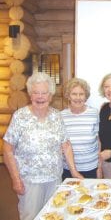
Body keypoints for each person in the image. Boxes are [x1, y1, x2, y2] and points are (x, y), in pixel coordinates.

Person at [3, 72, 83, 220]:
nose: (40, 97)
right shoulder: (20, 117)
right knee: (31, 216)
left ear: (50, 96)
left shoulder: (56, 116)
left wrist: (74, 171)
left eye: (44, 93)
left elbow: (65, 145)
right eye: (36, 93)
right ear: (30, 95)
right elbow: (7, 149)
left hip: (54, 179)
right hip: (29, 181)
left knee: (54, 214)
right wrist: (15, 179)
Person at [61, 78, 101, 179]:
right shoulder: (61, 116)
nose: (78, 98)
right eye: (74, 94)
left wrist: (99, 167)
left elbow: (99, 140)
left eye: (81, 94)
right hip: (68, 169)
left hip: (91, 168)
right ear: (68, 96)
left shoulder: (94, 113)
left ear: (86, 96)